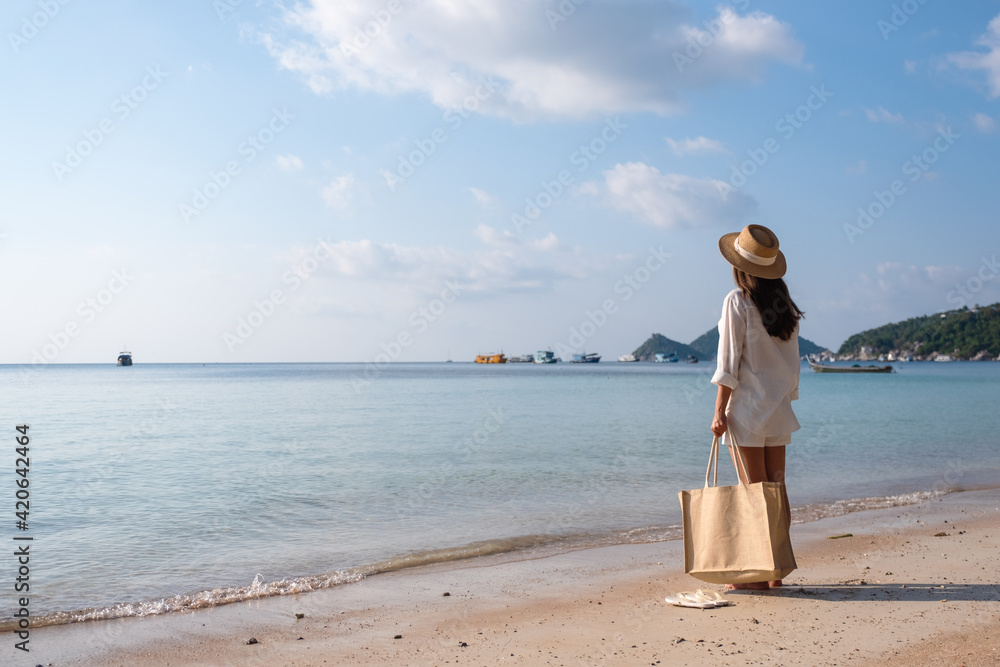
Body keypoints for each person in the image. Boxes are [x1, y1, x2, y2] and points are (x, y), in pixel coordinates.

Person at [710, 224, 803, 590]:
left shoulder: (737, 301)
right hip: (778, 409)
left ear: (739, 266)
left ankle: (756, 575)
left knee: (753, 492)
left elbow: (728, 363)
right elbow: (793, 366)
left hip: (748, 410)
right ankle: (775, 571)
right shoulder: (785, 308)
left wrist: (719, 410)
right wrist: (786, 397)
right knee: (775, 492)